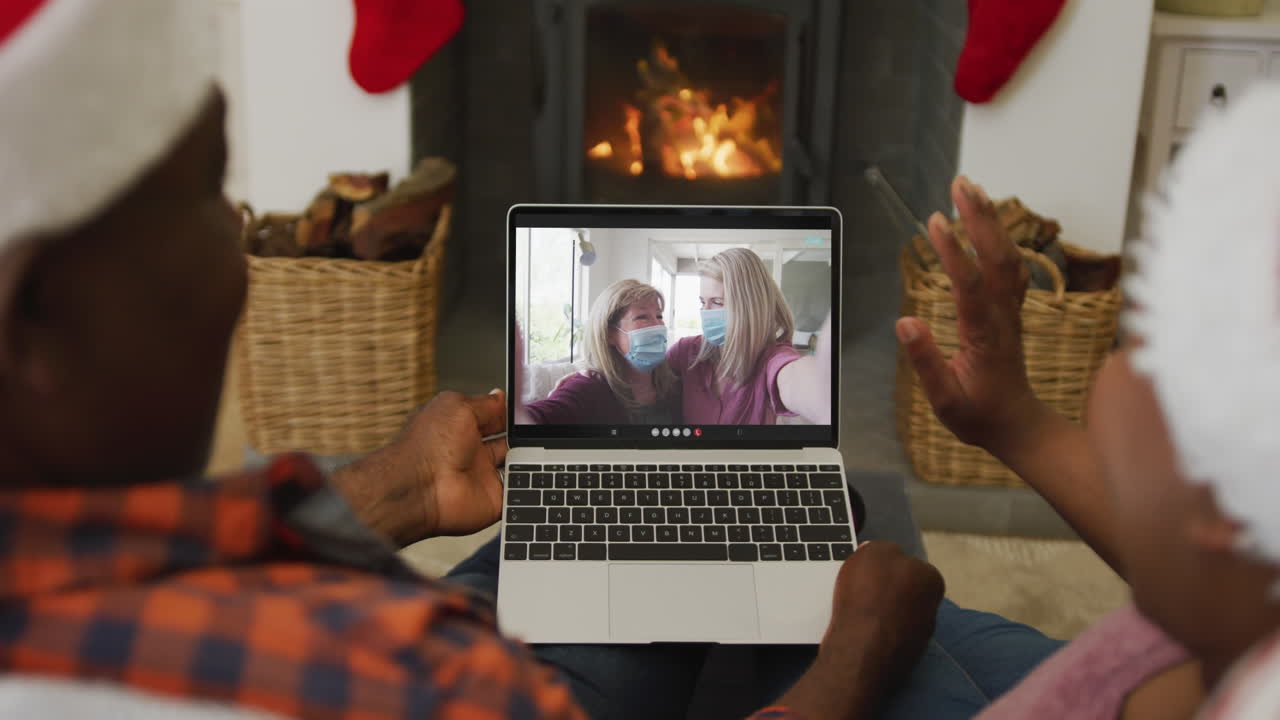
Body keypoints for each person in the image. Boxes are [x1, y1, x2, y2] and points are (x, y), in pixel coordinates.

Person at [0, 1, 951, 718]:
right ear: (34, 311)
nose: (245, 260)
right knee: (915, 638)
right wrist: (849, 667)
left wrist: (402, 490)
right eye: (213, 192)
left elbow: (174, 549)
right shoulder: (423, 676)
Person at [895, 85, 1280, 719]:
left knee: (829, 632)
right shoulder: (1235, 598)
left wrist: (845, 661)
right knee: (929, 616)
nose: (1116, 366)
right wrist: (1018, 423)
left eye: (1139, 341)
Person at [668, 248, 831, 425]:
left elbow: (796, 381)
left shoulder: (771, 360)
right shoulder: (686, 351)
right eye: (702, 302)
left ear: (749, 306)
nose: (704, 312)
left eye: (717, 302)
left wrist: (825, 396)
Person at [523, 279, 680, 425]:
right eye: (642, 317)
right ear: (609, 334)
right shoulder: (587, 387)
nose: (657, 325)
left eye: (659, 315)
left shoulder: (675, 384)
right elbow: (534, 418)